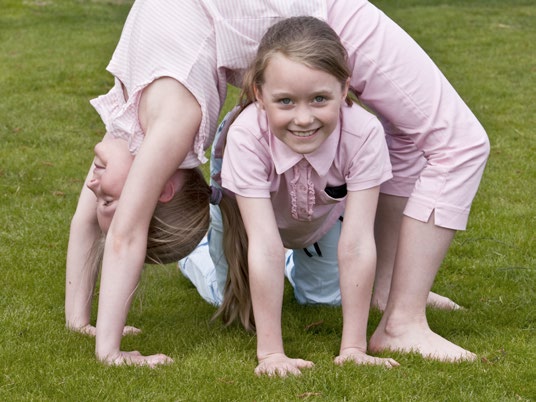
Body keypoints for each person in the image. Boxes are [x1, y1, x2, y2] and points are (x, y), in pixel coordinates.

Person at [65, 0, 489, 367]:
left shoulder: (133, 122)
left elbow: (114, 227)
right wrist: (106, 345)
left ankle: (395, 305)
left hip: (314, 24)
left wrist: (83, 324)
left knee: (450, 142)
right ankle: (399, 317)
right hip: (310, 35)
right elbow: (120, 230)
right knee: (458, 142)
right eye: (109, 198)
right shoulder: (166, 121)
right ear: (155, 187)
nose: (93, 187)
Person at [209, 16, 401, 376]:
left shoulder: (363, 134)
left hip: (318, 217)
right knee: (225, 294)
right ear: (259, 95)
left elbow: (358, 242)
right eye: (285, 101)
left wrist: (355, 348)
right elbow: (264, 243)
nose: (303, 118)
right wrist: (271, 354)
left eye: (319, 99)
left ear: (344, 90)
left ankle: (294, 264)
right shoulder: (246, 136)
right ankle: (200, 257)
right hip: (252, 219)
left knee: (324, 299)